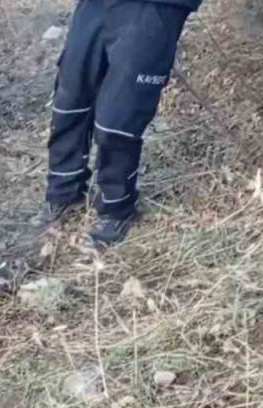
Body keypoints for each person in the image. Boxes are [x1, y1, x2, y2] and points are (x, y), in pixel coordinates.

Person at [36, 0, 203, 248]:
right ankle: (64, 191)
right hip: (96, 5)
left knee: (119, 119)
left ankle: (116, 208)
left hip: (154, 8)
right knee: (70, 98)